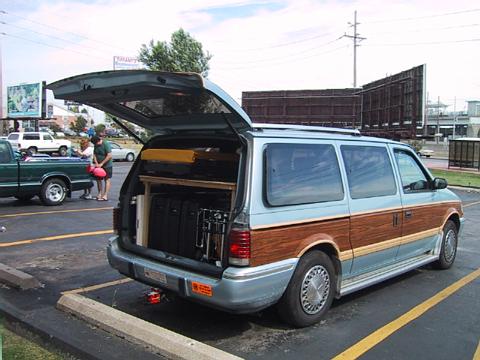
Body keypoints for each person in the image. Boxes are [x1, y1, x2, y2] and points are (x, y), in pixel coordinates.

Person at [91, 135, 113, 201]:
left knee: (107, 179)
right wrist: (96, 163)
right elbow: (94, 154)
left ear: (99, 140)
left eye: (96, 143)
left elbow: (109, 155)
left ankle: (105, 195)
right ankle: (99, 193)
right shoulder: (96, 145)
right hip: (99, 165)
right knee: (98, 179)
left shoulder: (106, 144)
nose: (96, 145)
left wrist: (102, 163)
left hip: (107, 165)